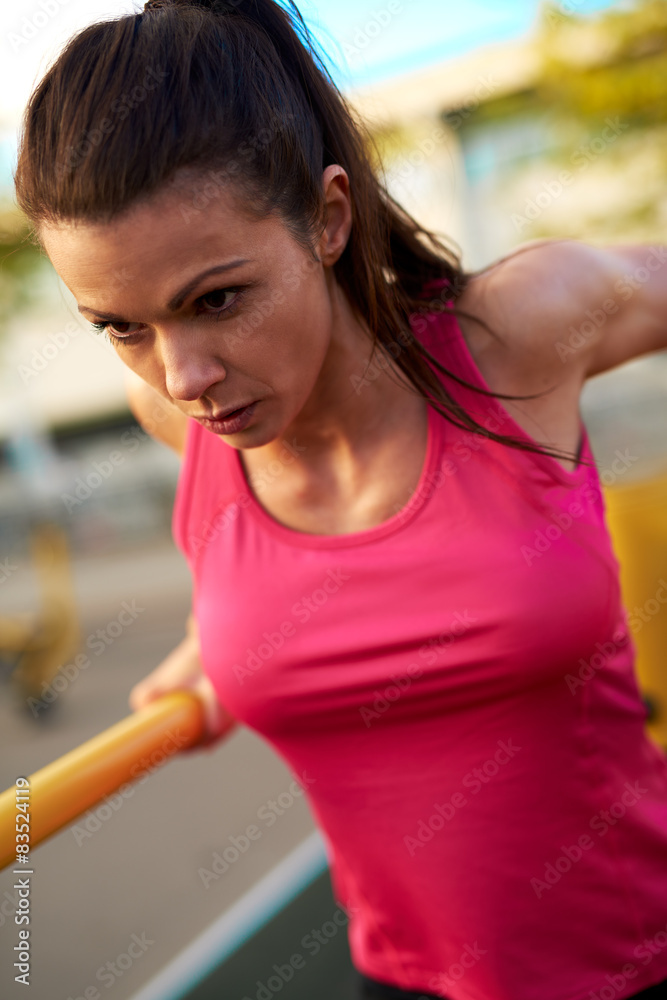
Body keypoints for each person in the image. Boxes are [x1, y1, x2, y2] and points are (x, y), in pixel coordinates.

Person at [13, 1, 667, 997]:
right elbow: (268, 575)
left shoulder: (518, 333)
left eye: (216, 298)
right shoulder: (180, 423)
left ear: (327, 219)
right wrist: (213, 634)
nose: (181, 373)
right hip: (399, 983)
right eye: (120, 325)